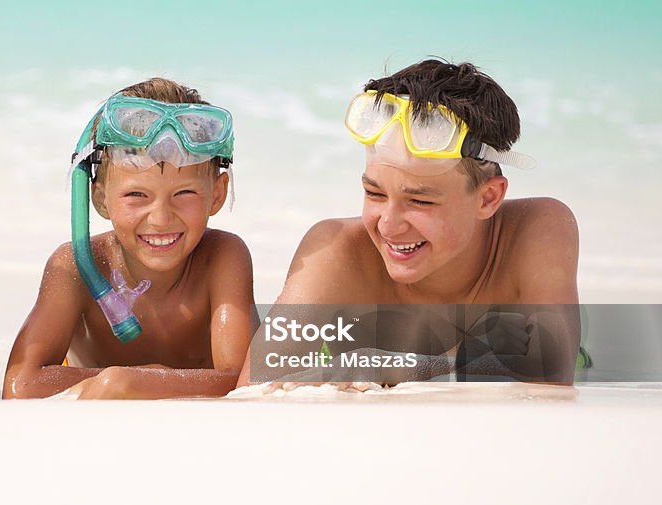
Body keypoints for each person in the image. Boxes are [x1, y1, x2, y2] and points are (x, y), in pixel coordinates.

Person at [238, 59, 580, 388]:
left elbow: (553, 373)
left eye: (420, 201)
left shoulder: (536, 229)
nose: (388, 225)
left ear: (487, 198)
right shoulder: (337, 252)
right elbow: (252, 391)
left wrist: (394, 365)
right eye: (374, 194)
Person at [3, 77, 256, 399]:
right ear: (100, 198)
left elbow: (242, 382)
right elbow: (19, 386)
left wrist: (140, 383)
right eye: (136, 194)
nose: (161, 218)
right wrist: (131, 379)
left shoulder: (221, 256)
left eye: (185, 193)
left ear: (217, 194)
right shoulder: (75, 266)